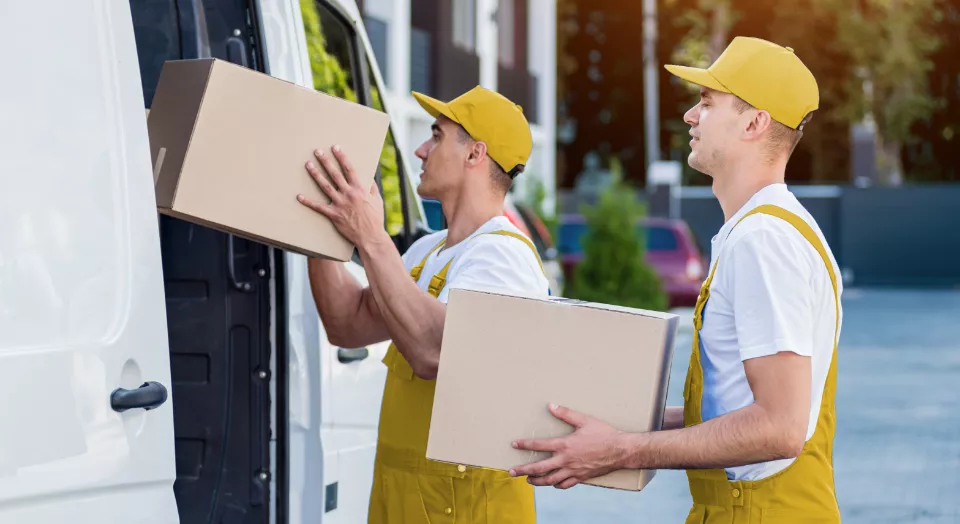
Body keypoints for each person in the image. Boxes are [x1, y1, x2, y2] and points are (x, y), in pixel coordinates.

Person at [510, 36, 844, 523]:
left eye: (706, 103)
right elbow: (735, 407)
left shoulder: (764, 240)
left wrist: (623, 452)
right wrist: (621, 431)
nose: (689, 115)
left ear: (754, 123)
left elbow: (780, 427)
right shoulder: (765, 230)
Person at [297, 86, 549, 523]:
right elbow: (347, 324)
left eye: (435, 135)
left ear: (475, 154)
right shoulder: (426, 252)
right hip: (408, 500)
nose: (420, 149)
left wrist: (371, 237)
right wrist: (316, 233)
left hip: (464, 508)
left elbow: (434, 353)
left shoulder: (503, 256)